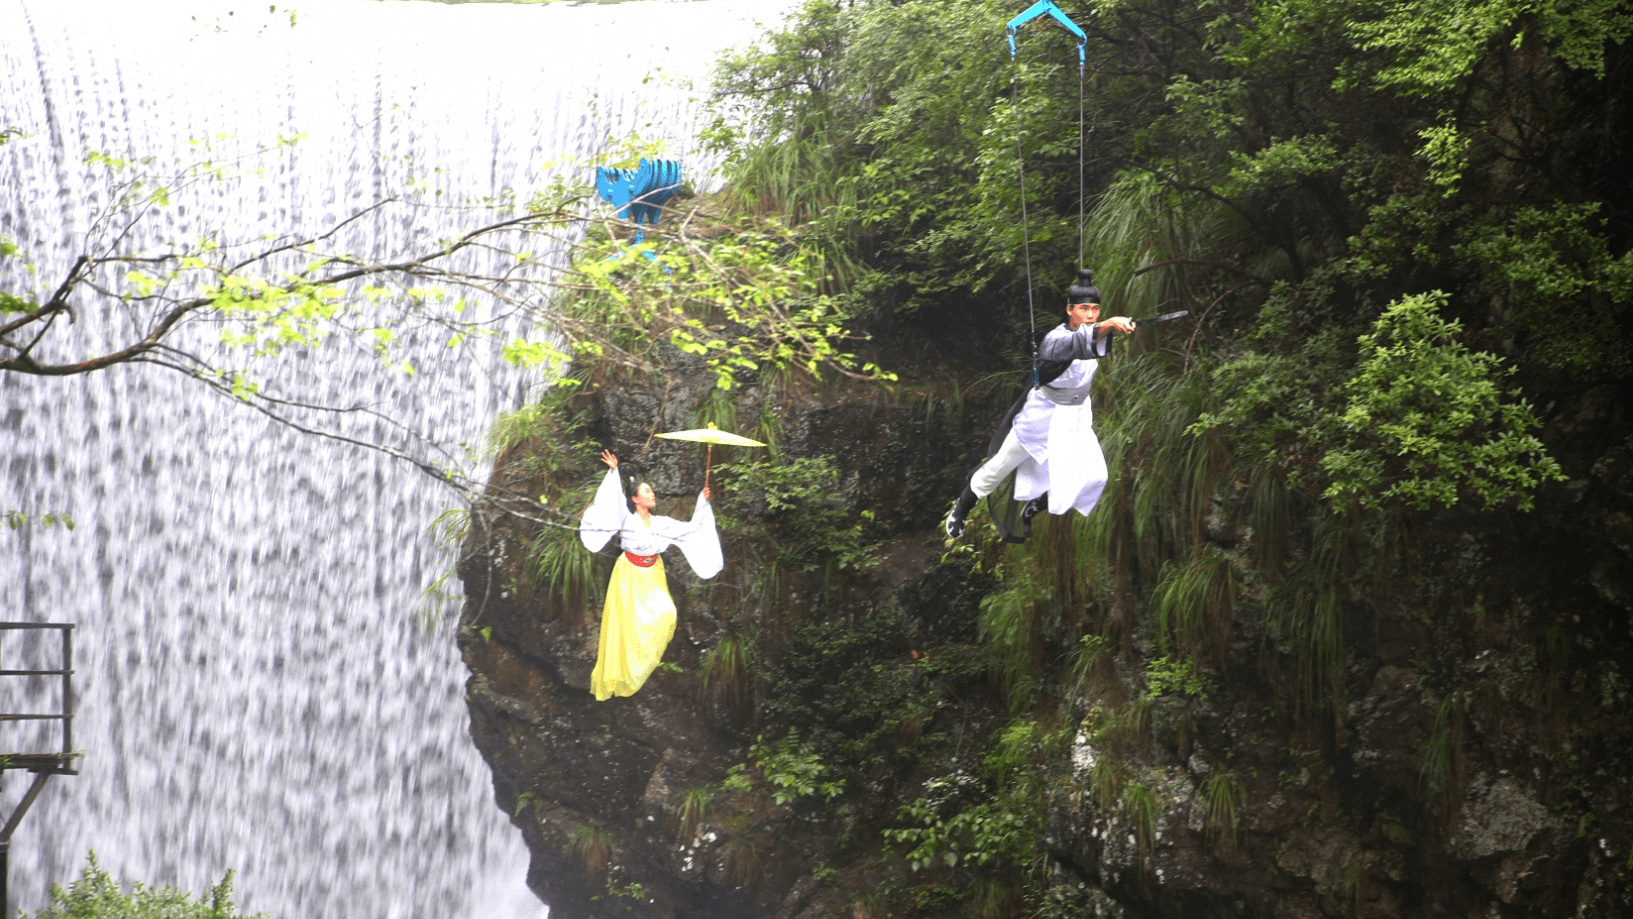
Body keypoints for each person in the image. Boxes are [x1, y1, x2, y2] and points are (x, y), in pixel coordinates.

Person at [945, 268, 1136, 541]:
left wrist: (1117, 327)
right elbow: (1079, 343)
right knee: (999, 467)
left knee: (1096, 476)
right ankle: (963, 505)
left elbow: (1094, 339)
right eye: (1084, 309)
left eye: (1095, 309)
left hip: (1076, 417)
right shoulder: (1055, 340)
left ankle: (1038, 505)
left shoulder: (1092, 335)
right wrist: (1109, 325)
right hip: (1041, 415)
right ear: (1070, 310)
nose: (1091, 315)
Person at [579, 450, 722, 700]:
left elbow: (691, 530)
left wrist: (702, 501)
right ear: (635, 499)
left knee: (667, 613)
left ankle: (644, 664)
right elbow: (613, 501)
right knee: (627, 628)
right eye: (647, 492)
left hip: (653, 573)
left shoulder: (661, 523)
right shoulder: (626, 518)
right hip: (629, 574)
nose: (652, 494)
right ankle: (623, 671)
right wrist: (614, 472)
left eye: (652, 491)